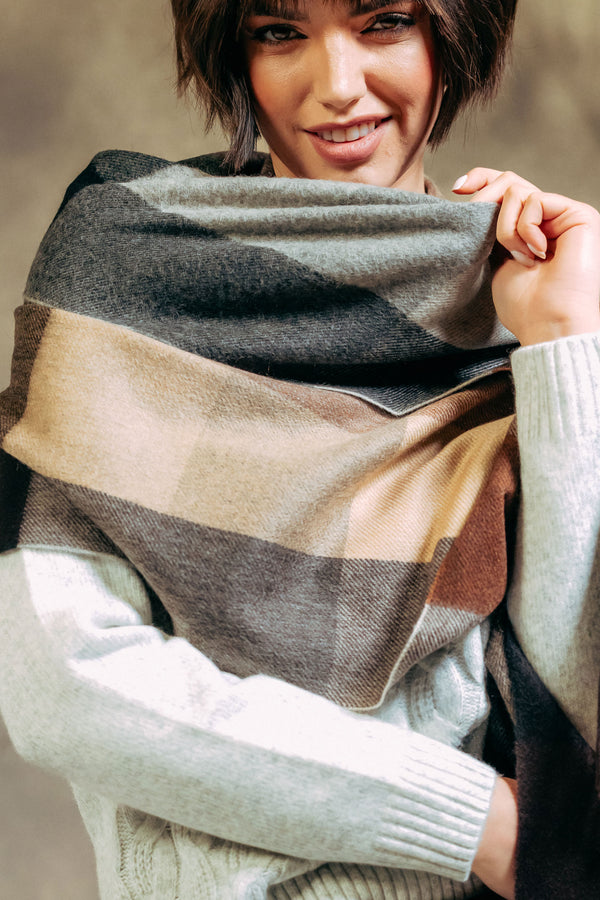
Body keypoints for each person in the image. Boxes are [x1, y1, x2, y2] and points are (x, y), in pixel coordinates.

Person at [1, 1, 599, 898]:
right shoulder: (129, 274)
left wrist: (563, 343)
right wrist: (476, 821)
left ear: (454, 35)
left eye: (385, 22)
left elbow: (572, 705)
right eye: (280, 31)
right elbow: (64, 686)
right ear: (231, 51)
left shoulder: (532, 300)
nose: (338, 87)